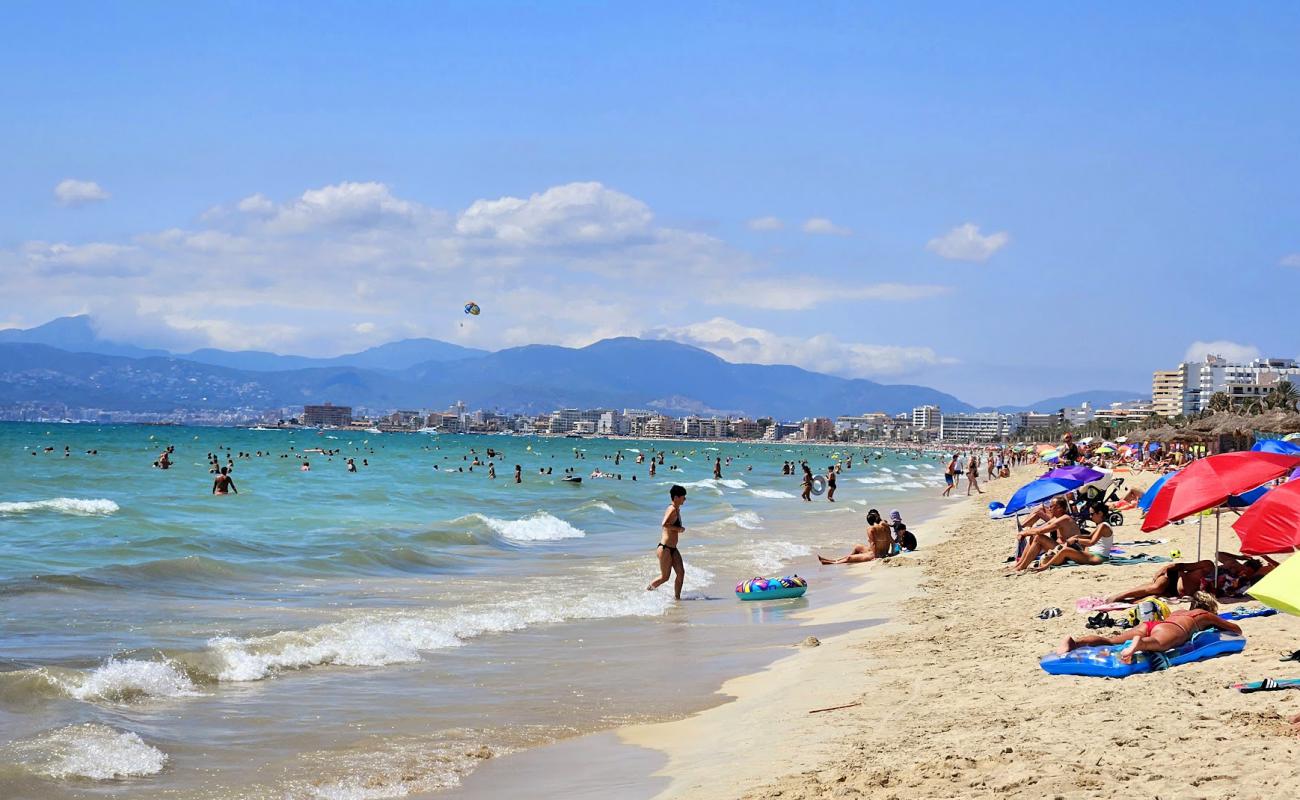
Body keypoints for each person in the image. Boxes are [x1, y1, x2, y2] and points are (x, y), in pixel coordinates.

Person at [1055, 592, 1241, 663]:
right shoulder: (1204, 615)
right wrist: (1215, 621)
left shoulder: (1181, 611)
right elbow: (1235, 629)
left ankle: (1075, 643)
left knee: (1111, 641)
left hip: (1153, 624)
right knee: (1159, 644)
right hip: (1172, 630)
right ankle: (1140, 644)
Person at [1030, 506, 1114, 570]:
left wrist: (1076, 540)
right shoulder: (1102, 525)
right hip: (1093, 554)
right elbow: (1090, 536)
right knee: (1067, 547)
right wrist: (1076, 537)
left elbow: (1092, 541)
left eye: (1092, 514)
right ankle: (1051, 559)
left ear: (1100, 513)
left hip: (1097, 557)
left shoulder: (1103, 526)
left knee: (1065, 550)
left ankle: (1045, 566)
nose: (1090, 517)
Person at [1010, 498, 1081, 571]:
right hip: (1061, 549)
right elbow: (1040, 528)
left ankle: (1021, 567)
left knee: (1039, 537)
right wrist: (1024, 533)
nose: (1049, 509)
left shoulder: (1064, 519)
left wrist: (1024, 533)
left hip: (1071, 552)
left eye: (1051, 506)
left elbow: (1041, 531)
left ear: (1059, 508)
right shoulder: (1056, 518)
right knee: (1034, 536)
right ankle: (1019, 564)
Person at [647, 485, 688, 600]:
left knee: (681, 573)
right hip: (665, 548)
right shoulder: (672, 509)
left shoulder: (677, 509)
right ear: (676, 497)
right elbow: (664, 524)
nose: (684, 499)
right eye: (683, 497)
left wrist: (677, 529)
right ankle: (647, 592)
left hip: (673, 548)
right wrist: (678, 529)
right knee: (665, 577)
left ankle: (677, 599)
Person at [818, 509, 893, 564]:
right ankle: (836, 560)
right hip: (878, 551)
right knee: (857, 547)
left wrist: (876, 557)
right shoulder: (883, 524)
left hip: (876, 553)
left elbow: (874, 543)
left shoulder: (873, 528)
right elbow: (888, 539)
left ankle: (834, 562)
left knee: (849, 558)